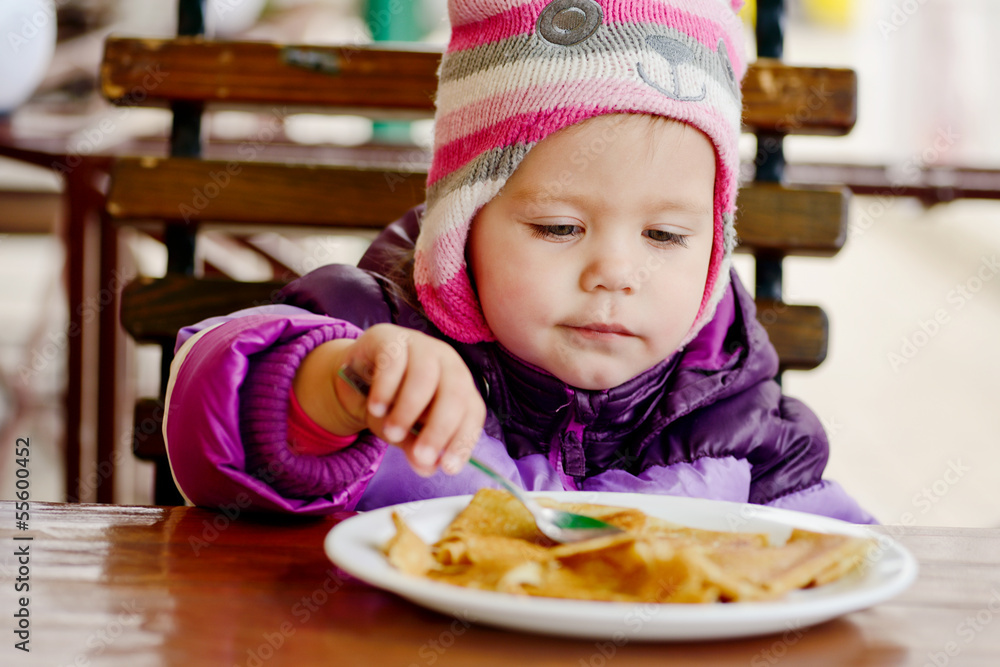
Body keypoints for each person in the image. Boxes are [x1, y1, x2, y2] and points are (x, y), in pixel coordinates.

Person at [164, 0, 874, 523]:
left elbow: (830, 565)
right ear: (460, 226)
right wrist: (338, 389)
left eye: (665, 236)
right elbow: (207, 441)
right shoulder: (378, 333)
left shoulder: (746, 422)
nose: (616, 272)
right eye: (559, 226)